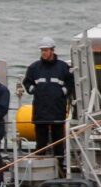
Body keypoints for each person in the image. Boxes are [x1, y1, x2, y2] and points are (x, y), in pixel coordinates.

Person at [21, 36, 74, 164]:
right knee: (41, 145)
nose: (44, 53)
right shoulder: (34, 68)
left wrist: (62, 92)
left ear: (52, 50)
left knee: (58, 144)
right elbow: (27, 82)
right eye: (42, 50)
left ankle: (60, 168)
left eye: (46, 50)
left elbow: (71, 83)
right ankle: (40, 167)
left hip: (57, 111)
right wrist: (34, 90)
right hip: (41, 112)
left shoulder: (63, 67)